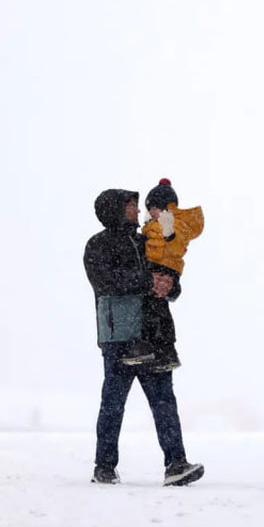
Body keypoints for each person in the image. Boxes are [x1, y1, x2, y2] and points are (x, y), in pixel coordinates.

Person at [84, 188, 204, 487]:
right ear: (114, 210)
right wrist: (147, 281)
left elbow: (167, 274)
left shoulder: (146, 240)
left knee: (164, 402)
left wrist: (170, 285)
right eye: (131, 206)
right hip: (119, 336)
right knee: (113, 403)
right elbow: (105, 282)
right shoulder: (97, 245)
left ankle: (176, 464)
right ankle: (105, 466)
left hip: (156, 335)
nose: (137, 212)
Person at [120, 178, 205, 371]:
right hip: (154, 268)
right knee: (155, 308)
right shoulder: (153, 225)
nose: (150, 212)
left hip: (165, 268)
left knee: (154, 308)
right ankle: (162, 350)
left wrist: (169, 233)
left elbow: (177, 247)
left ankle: (157, 347)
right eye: (149, 209)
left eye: (154, 208)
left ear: (166, 207)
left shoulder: (177, 224)